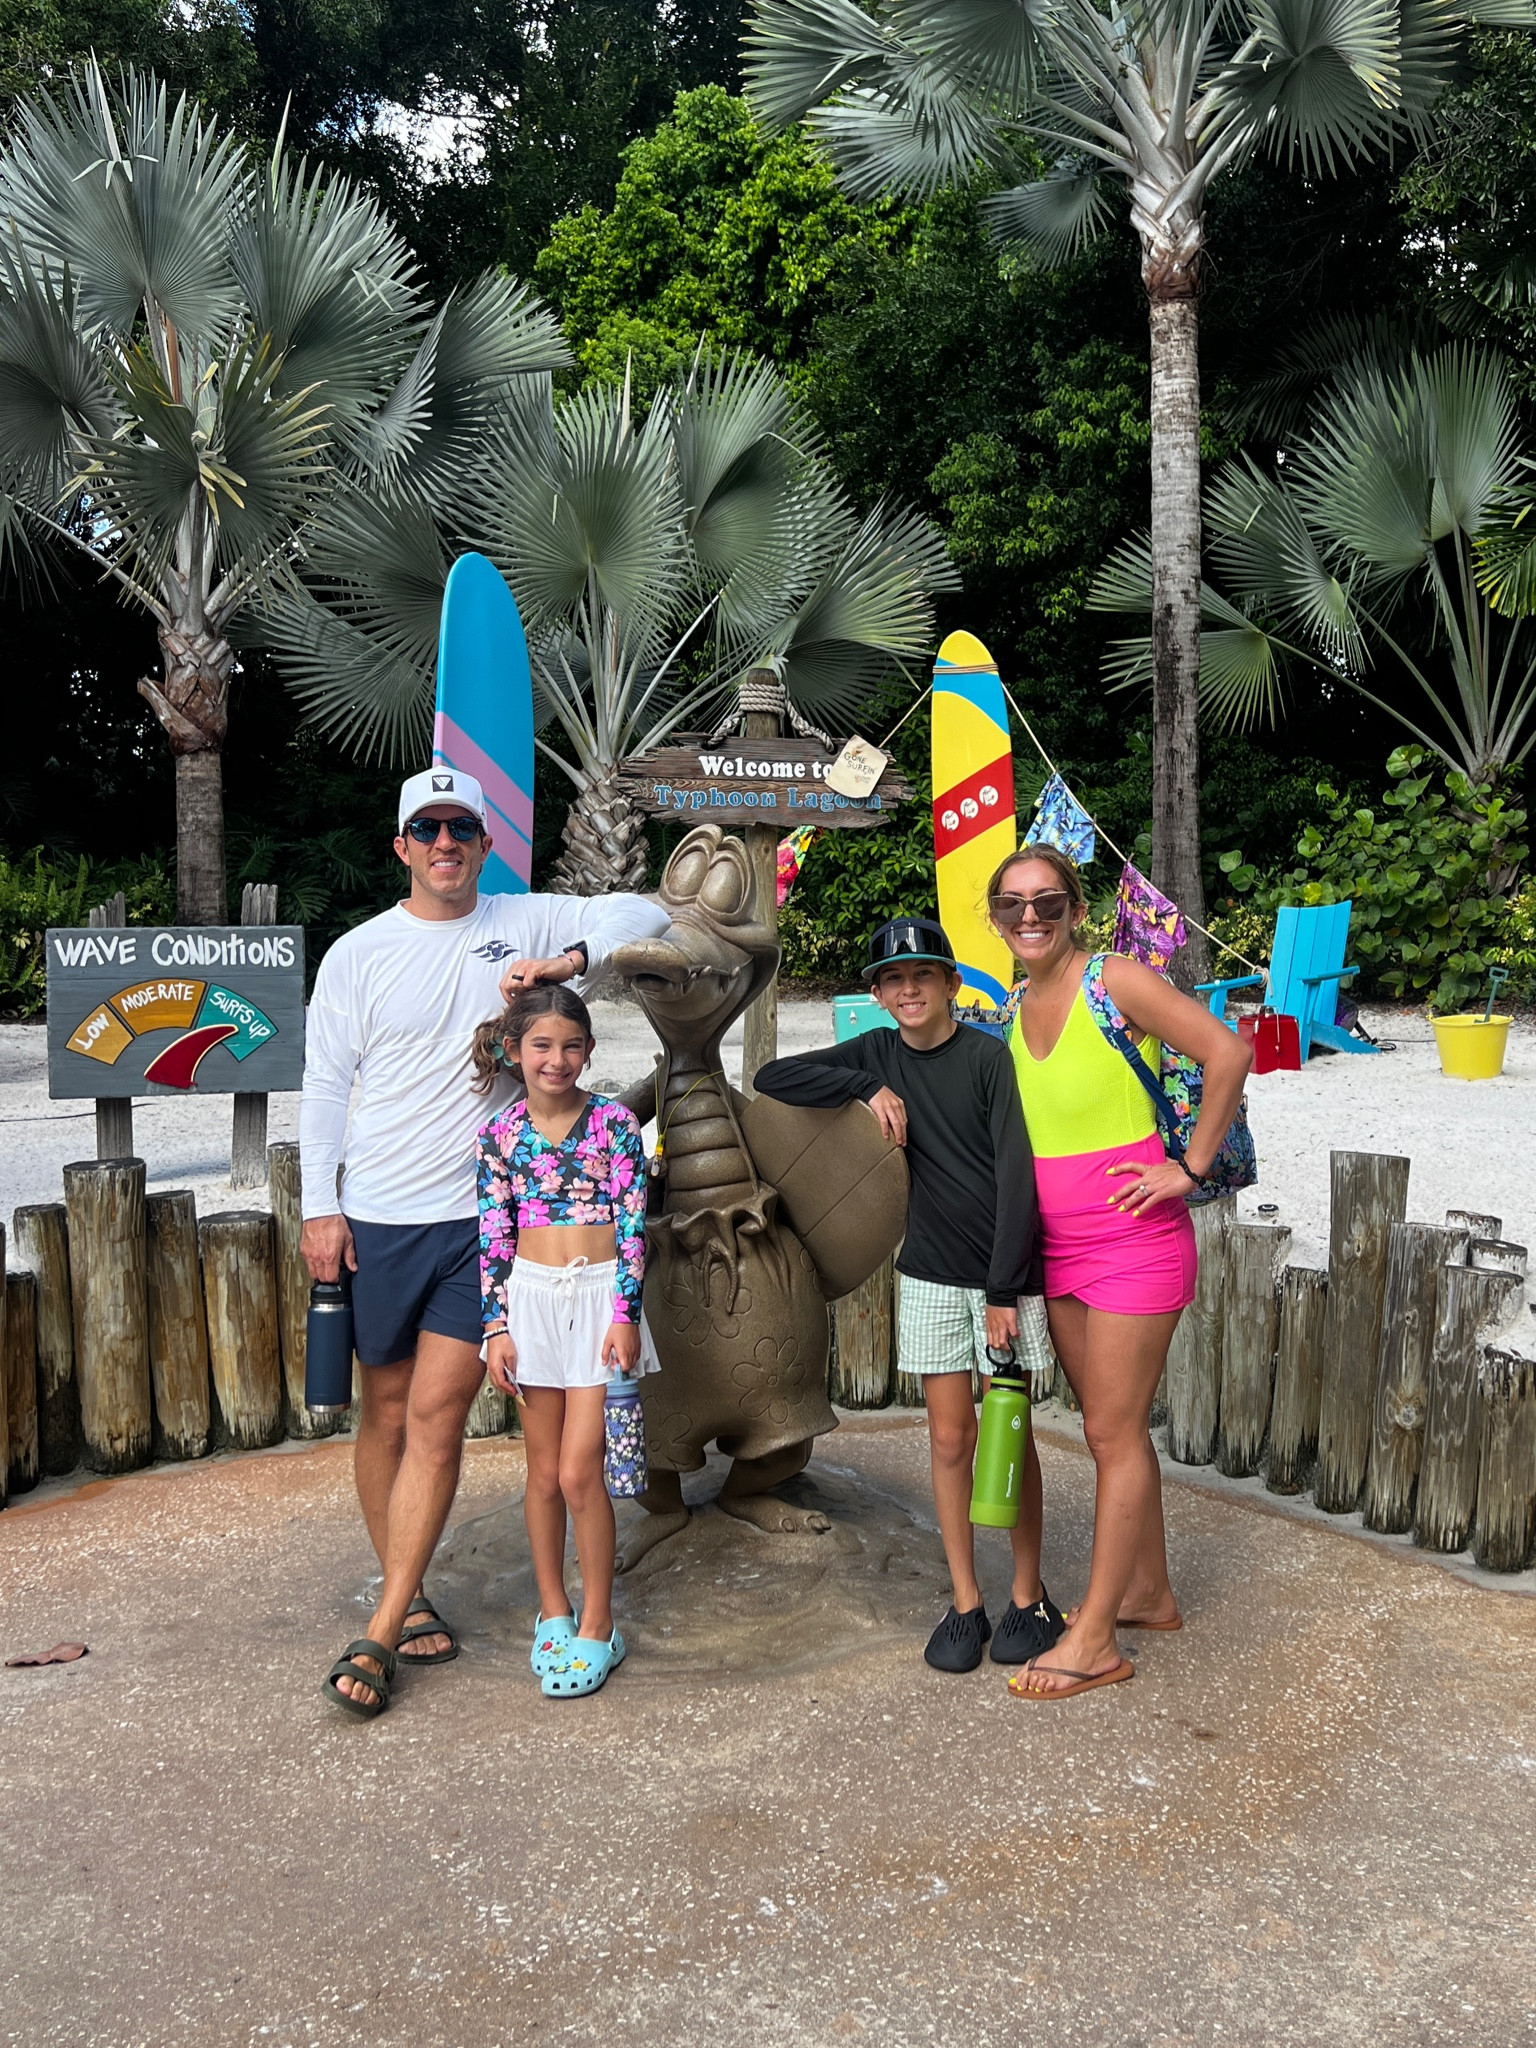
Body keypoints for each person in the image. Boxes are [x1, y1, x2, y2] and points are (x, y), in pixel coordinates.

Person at [307, 767, 669, 1720]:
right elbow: (325, 1084)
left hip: (485, 1229)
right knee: (385, 1413)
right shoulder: (357, 952)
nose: (445, 844)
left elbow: (652, 911)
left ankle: (383, 1623)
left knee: (437, 1415)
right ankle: (410, 1587)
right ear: (402, 845)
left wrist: (565, 962)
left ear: (483, 841)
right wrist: (318, 1205)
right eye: (427, 829)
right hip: (381, 1211)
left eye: (461, 828)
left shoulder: (525, 918)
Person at [753, 916, 1061, 1675]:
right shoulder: (877, 1052)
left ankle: (1029, 1594)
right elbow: (772, 1080)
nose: (909, 989)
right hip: (926, 1273)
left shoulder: (987, 1058)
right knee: (950, 1438)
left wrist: (1004, 1289)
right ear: (879, 994)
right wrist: (864, 1085)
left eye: (923, 974)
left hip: (1001, 1278)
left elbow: (1016, 1176)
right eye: (893, 979)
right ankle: (965, 1599)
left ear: (952, 983)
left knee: (1010, 1433)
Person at [989, 843, 1252, 1702]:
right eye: (1012, 904)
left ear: (1077, 909)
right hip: (1057, 1249)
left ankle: (1097, 1638)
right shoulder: (1010, 1008)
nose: (1030, 917)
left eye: (1047, 901)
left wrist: (1191, 1167)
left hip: (1135, 1242)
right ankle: (1147, 1594)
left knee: (1113, 1433)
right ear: (995, 919)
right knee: (1109, 1429)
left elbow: (1228, 1051)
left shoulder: (1115, 980)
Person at [475, 984, 656, 1699]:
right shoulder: (499, 1134)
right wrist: (495, 1326)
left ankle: (599, 1623)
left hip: (600, 1300)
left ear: (589, 1050)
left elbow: (635, 1224)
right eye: (541, 1046)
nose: (556, 1059)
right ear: (513, 1051)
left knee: (582, 1472)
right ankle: (553, 1609)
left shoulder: (614, 1124)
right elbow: (493, 1233)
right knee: (544, 1473)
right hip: (529, 1304)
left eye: (571, 1045)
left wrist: (625, 1314)